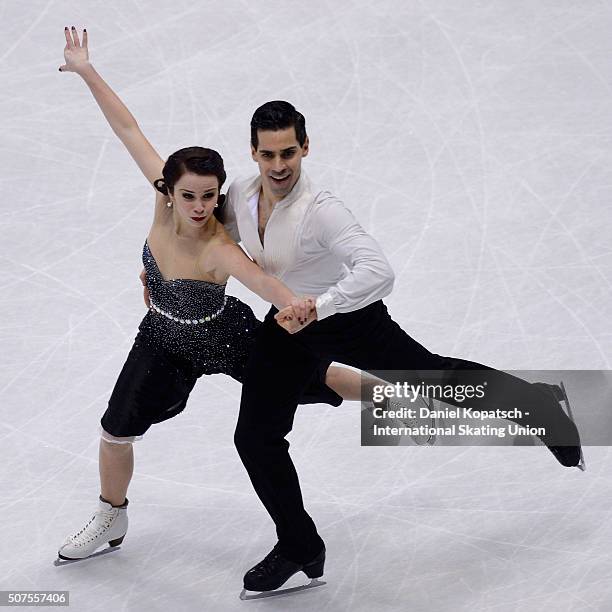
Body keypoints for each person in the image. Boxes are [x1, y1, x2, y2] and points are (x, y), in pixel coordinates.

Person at [215, 101, 584, 593]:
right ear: (253, 152)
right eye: (267, 154)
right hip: (286, 328)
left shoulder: (323, 210)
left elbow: (378, 271)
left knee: (435, 380)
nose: (278, 166)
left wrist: (320, 306)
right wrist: (157, 265)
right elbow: (200, 226)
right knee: (255, 439)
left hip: (350, 322)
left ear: (305, 147)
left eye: (288, 153)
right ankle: (300, 546)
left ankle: (535, 404)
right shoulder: (240, 194)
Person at [55, 27, 365, 562]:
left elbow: (267, 284)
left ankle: (418, 393)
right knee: (114, 430)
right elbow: (128, 128)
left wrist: (311, 309)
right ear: (168, 192)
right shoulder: (163, 206)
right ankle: (111, 515)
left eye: (208, 196)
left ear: (217, 194)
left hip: (230, 338)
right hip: (162, 340)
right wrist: (86, 71)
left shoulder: (220, 246)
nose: (198, 206)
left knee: (323, 378)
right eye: (187, 195)